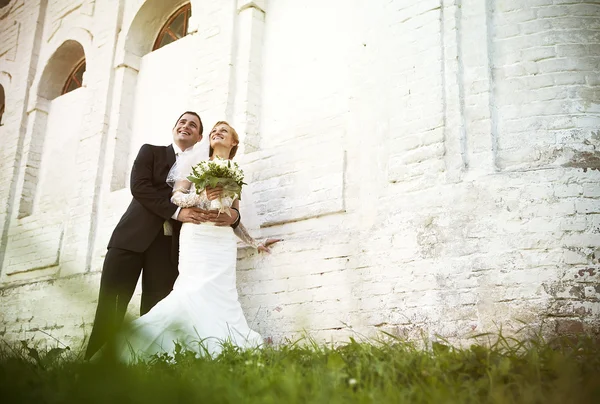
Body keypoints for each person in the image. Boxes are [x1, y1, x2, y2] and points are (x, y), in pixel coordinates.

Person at [112, 121, 279, 362]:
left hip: (222, 243)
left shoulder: (236, 172)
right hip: (197, 236)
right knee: (190, 291)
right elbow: (176, 196)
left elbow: (234, 217)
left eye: (224, 131)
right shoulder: (195, 162)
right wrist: (200, 194)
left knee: (223, 293)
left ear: (234, 142)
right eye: (213, 131)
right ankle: (134, 345)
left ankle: (218, 346)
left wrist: (255, 243)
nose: (216, 133)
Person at [84, 112, 241, 360]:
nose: (186, 126)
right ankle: (94, 367)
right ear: (174, 128)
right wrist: (179, 211)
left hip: (168, 249)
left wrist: (233, 217)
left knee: (155, 310)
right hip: (131, 240)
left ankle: (147, 369)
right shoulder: (152, 152)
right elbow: (140, 187)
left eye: (193, 125)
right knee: (110, 309)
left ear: (200, 136)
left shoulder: (208, 164)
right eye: (182, 122)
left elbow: (229, 206)